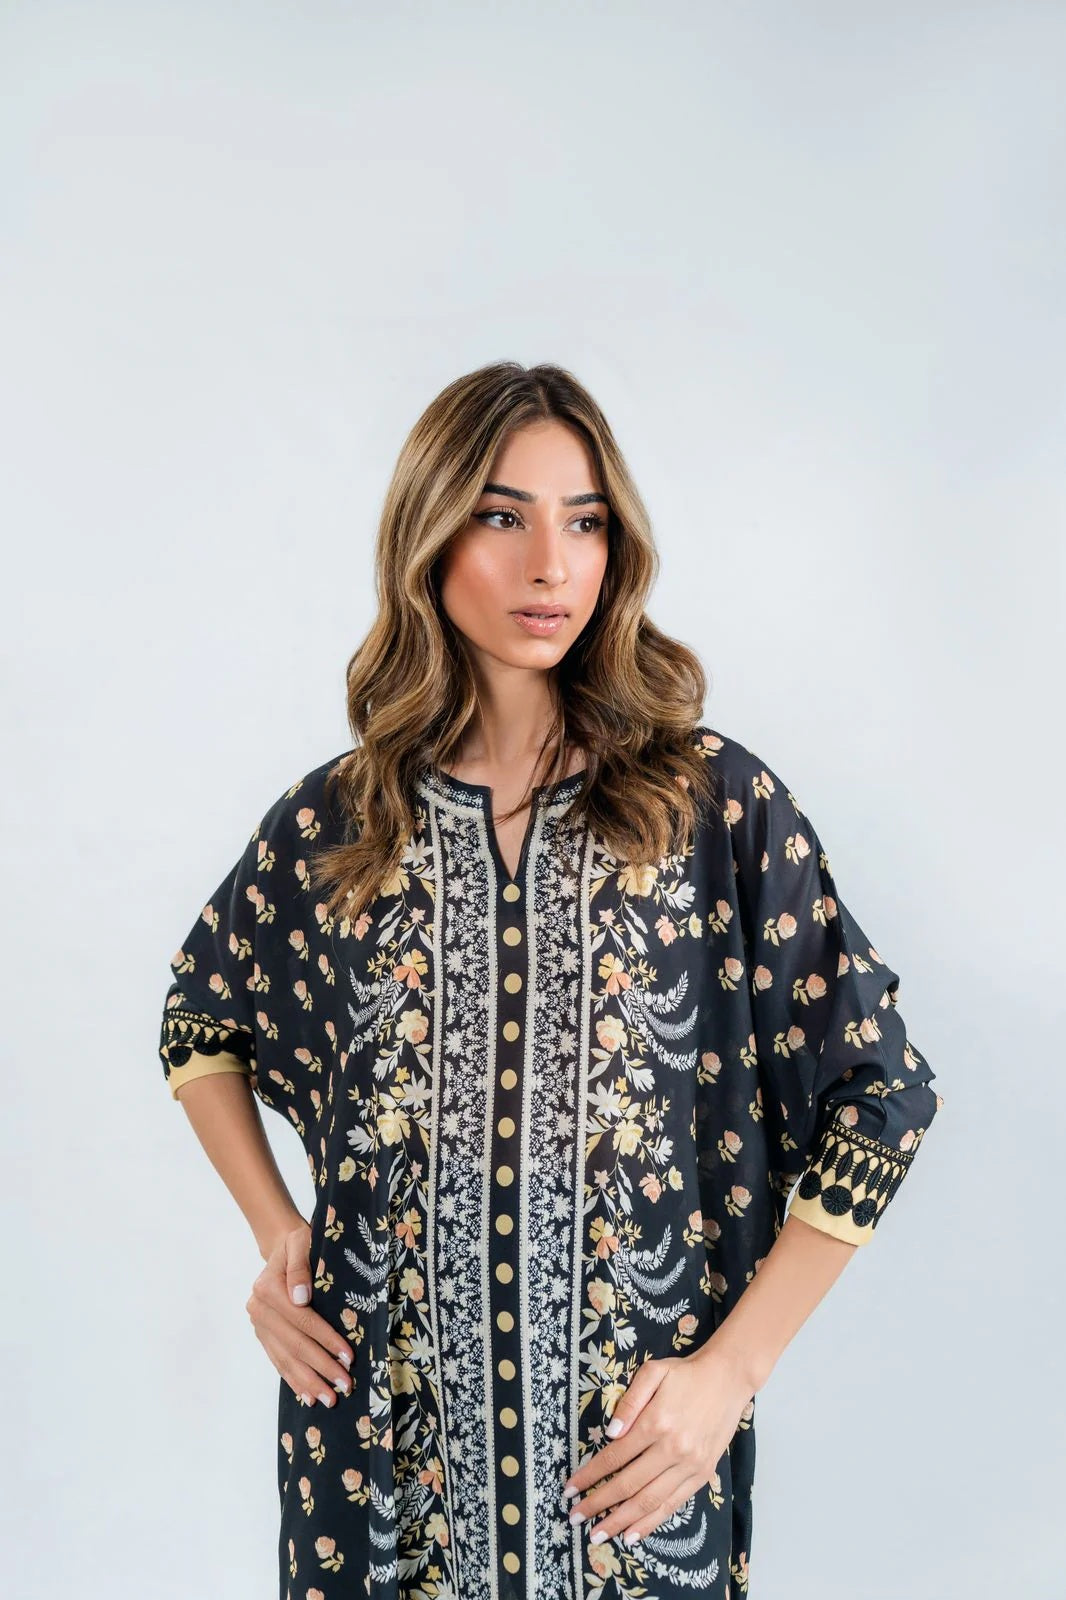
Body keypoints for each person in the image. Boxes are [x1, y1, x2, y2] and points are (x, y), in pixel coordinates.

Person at [156, 360, 943, 1600]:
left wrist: (731, 1373)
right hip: (377, 1482)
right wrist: (280, 1239)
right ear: (427, 536)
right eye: (501, 516)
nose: (550, 565)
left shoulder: (708, 807)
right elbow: (201, 1020)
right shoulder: (340, 823)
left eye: (584, 522)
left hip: (631, 1491)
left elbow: (882, 1095)